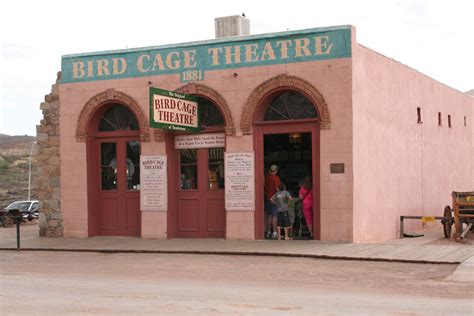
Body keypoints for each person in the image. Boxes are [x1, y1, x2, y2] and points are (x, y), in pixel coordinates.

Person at [264, 164, 281, 239]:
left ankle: (268, 232)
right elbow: (277, 189)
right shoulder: (276, 177)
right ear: (276, 170)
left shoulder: (266, 177)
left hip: (267, 198)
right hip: (274, 199)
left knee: (269, 215)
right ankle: (274, 232)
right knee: (275, 215)